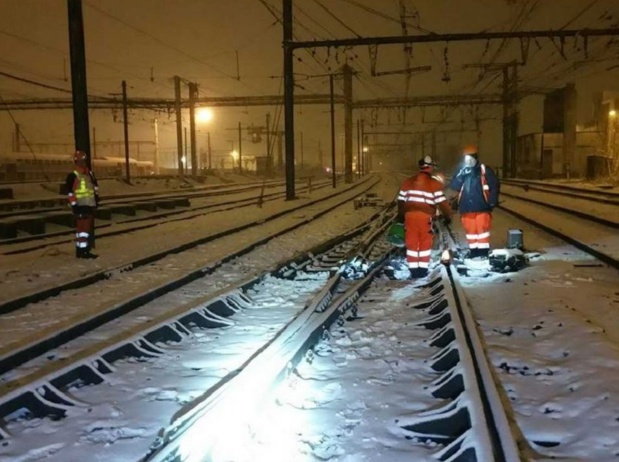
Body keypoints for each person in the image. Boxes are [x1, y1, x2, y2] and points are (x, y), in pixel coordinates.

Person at [398, 155, 452, 278]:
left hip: (409, 216)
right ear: (430, 167)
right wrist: (448, 216)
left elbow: (401, 200)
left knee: (411, 242)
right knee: (424, 243)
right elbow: (442, 203)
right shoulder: (434, 184)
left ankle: (413, 270)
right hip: (425, 217)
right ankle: (422, 270)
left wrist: (401, 216)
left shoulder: (408, 182)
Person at [448, 144, 500, 259]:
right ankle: (474, 251)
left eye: (470, 157)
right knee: (470, 232)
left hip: (482, 207)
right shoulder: (462, 171)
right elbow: (454, 186)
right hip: (466, 208)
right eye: (466, 158)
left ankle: (483, 251)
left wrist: (492, 201)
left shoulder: (484, 170)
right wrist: (461, 175)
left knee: (482, 231)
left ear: (475, 157)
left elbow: (494, 185)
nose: (468, 161)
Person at [65, 150, 99, 259]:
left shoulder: (89, 174)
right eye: (79, 161)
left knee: (86, 231)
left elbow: (95, 188)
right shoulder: (73, 176)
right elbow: (70, 192)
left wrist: (96, 200)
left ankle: (84, 250)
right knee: (82, 231)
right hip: (80, 206)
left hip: (89, 205)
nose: (82, 163)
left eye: (83, 161)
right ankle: (81, 251)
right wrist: (74, 206)